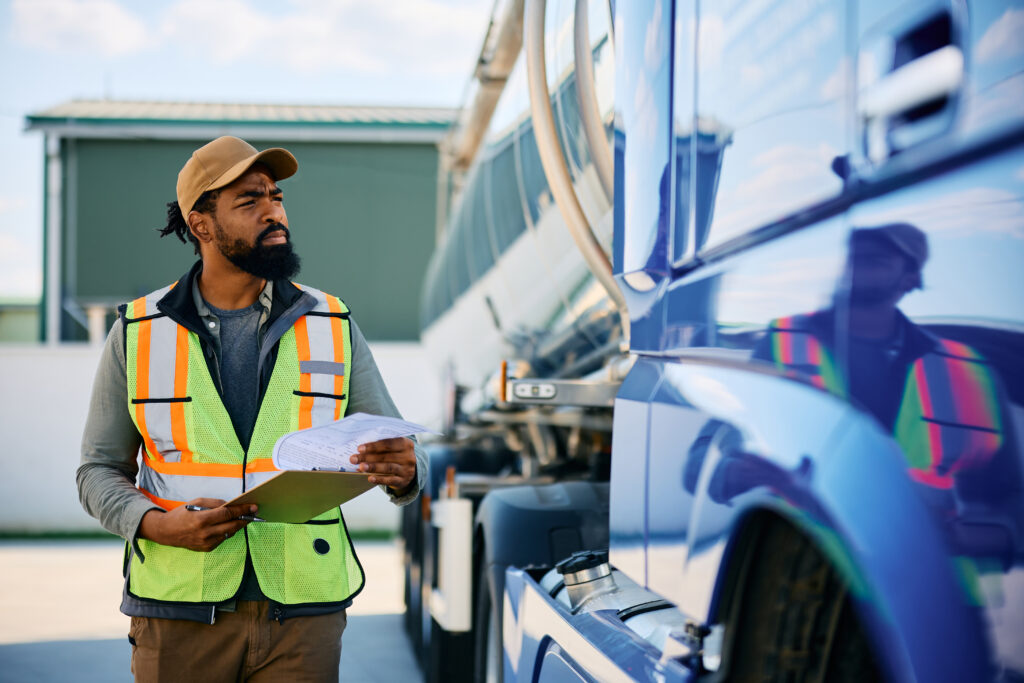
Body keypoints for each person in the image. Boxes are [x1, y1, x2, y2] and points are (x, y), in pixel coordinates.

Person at [76, 135, 427, 682]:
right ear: (201, 225)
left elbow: (397, 445)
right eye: (249, 201)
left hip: (303, 613)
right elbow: (97, 470)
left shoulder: (332, 323)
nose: (274, 212)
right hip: (179, 612)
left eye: (277, 197)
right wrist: (155, 524)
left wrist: (405, 471)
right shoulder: (139, 331)